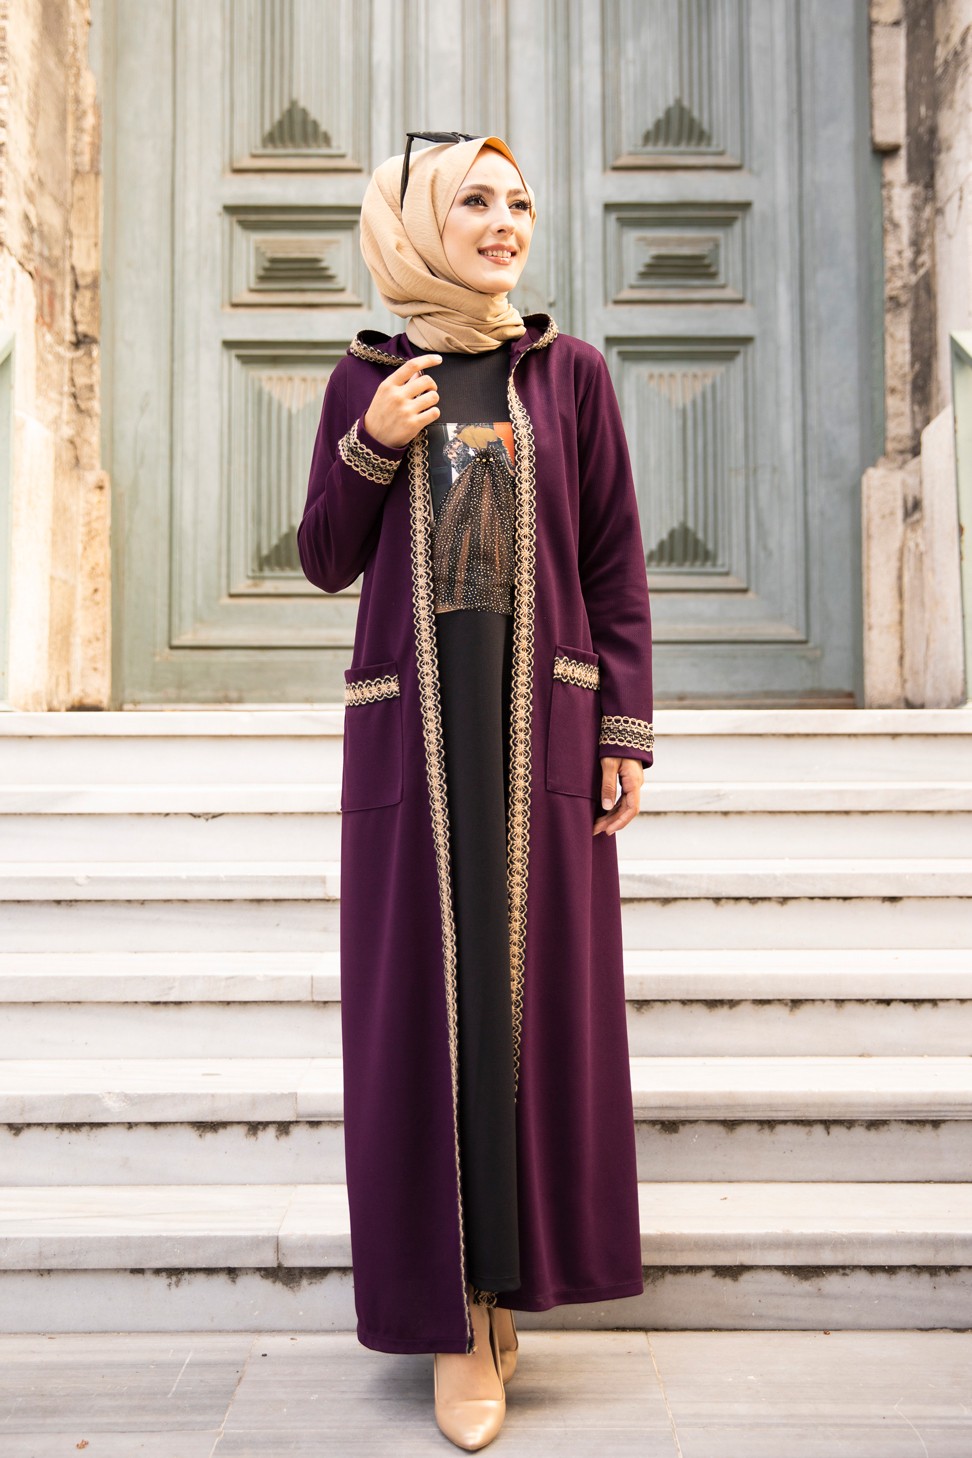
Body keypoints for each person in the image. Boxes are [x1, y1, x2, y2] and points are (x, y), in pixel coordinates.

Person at [297, 131, 654, 1452]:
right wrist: (371, 447)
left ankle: (507, 1297)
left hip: (538, 734)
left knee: (526, 1019)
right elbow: (324, 558)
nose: (506, 222)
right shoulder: (367, 379)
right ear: (417, 226)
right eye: (476, 201)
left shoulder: (571, 375)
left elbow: (613, 562)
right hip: (416, 741)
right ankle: (453, 1322)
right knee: (424, 1025)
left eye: (519, 202)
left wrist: (625, 725)